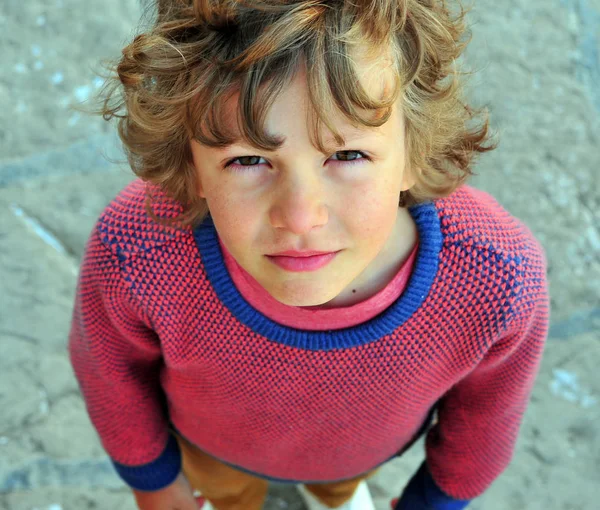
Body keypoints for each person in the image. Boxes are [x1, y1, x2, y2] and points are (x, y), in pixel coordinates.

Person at [68, 0, 550, 509]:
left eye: (347, 155)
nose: (299, 217)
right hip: (211, 454)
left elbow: (489, 415)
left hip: (359, 458)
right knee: (230, 496)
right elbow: (108, 374)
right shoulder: (137, 250)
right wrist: (157, 484)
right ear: (191, 165)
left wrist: (434, 501)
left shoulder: (498, 275)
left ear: (416, 152)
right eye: (248, 159)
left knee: (338, 491)